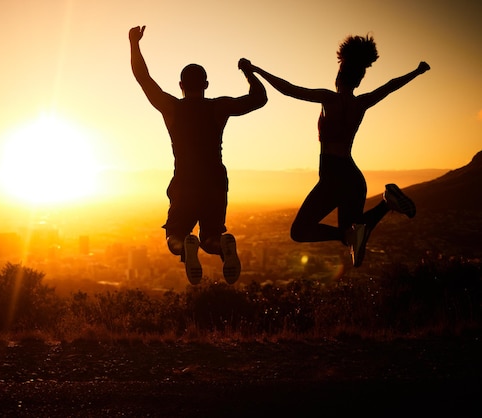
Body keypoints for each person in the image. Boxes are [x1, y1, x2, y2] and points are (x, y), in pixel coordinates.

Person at [242, 35, 430, 267]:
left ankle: (366, 219)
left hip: (333, 175)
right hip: (352, 177)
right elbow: (390, 86)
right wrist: (417, 72)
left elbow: (289, 90)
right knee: (353, 229)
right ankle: (386, 202)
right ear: (359, 80)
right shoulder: (361, 103)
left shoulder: (328, 98)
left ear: (339, 76)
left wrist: (256, 70)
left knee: (300, 231)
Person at [129, 25, 267, 284]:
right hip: (215, 181)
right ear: (206, 84)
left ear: (180, 85)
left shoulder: (171, 108)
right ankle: (222, 244)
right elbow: (259, 99)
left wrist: (134, 42)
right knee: (211, 238)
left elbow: (143, 78)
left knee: (175, 236)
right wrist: (249, 73)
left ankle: (185, 245)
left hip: (185, 182)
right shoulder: (219, 107)